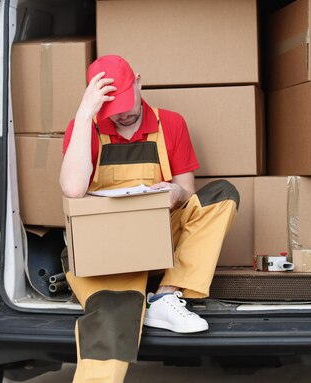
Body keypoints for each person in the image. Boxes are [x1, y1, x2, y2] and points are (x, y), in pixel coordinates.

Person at [60, 55, 239, 383]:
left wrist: (174, 193)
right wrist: (85, 114)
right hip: (105, 252)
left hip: (158, 240)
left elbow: (188, 189)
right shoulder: (84, 126)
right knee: (113, 318)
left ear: (139, 82)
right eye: (112, 111)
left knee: (221, 194)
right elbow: (73, 188)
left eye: (128, 104)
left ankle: (166, 296)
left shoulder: (170, 123)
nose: (124, 115)